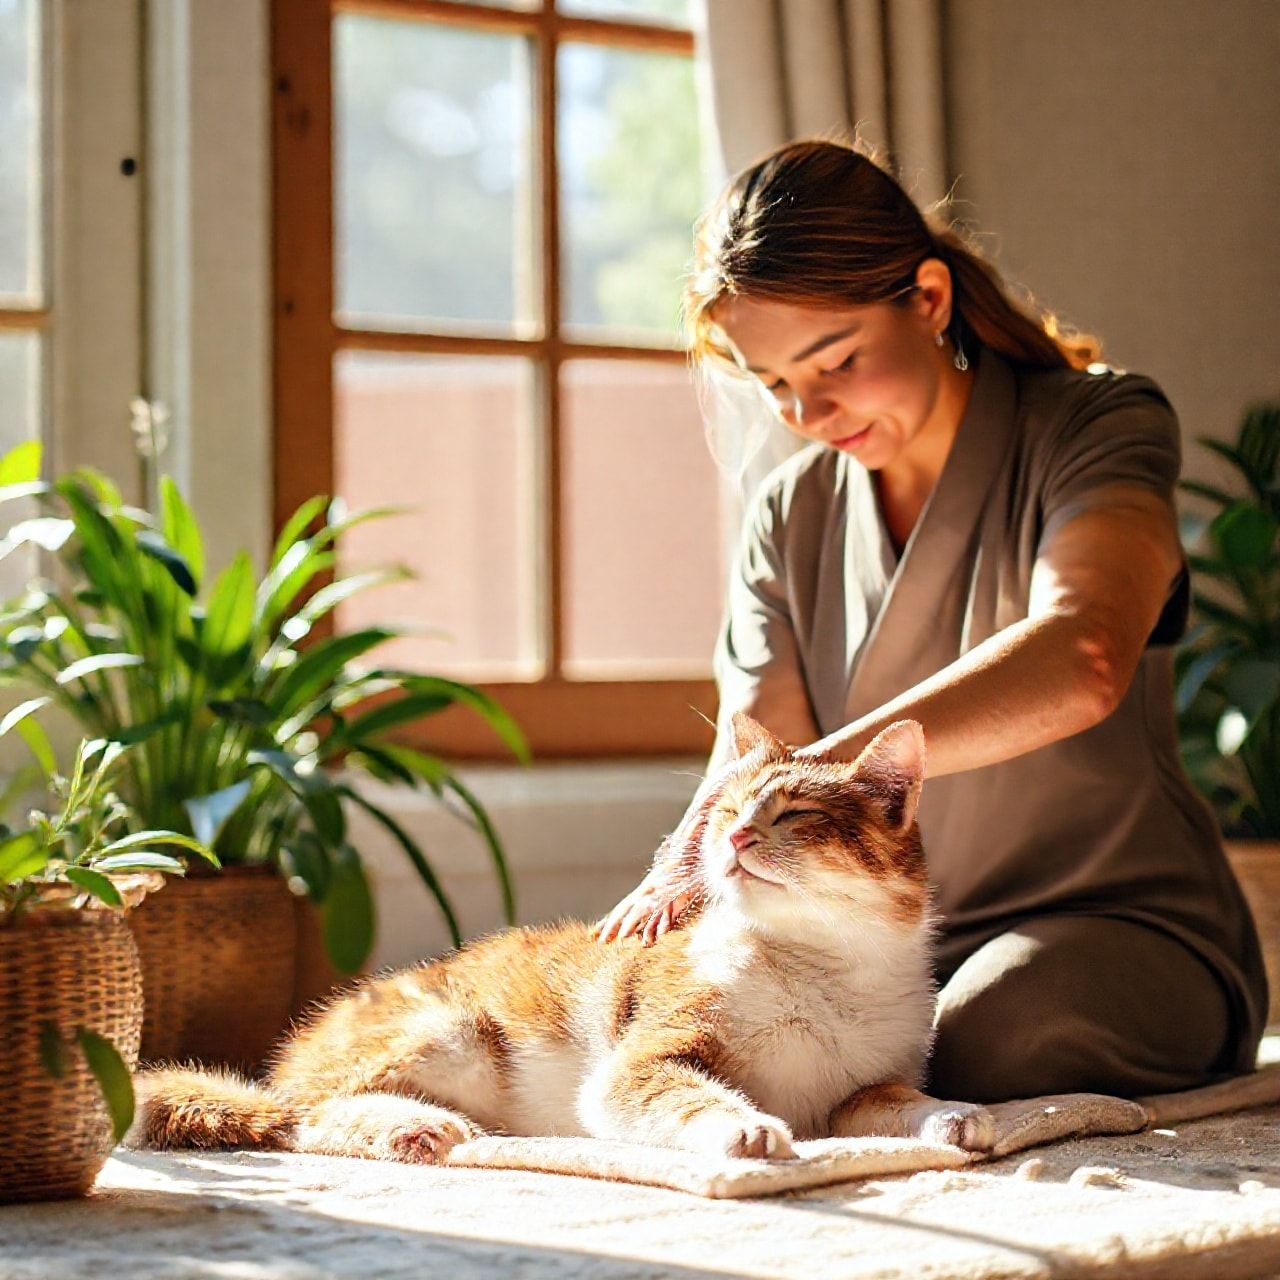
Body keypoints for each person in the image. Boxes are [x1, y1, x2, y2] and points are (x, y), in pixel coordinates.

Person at [594, 137, 1267, 1104]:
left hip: (1115, 922)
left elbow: (1083, 654)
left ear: (930, 300)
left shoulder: (1095, 426)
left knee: (987, 1044)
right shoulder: (791, 515)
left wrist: (814, 778)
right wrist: (684, 865)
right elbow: (755, 754)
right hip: (864, 937)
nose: (808, 411)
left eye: (836, 361)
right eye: (774, 384)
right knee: (699, 1040)